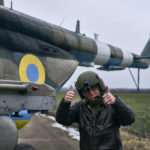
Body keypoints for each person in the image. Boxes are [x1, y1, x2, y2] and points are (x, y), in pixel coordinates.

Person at [56, 71, 135, 150]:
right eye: (87, 90)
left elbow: (129, 120)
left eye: (93, 88)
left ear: (100, 87)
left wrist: (116, 102)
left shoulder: (112, 105)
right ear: (83, 93)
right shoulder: (79, 107)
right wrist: (65, 103)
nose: (91, 92)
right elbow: (62, 120)